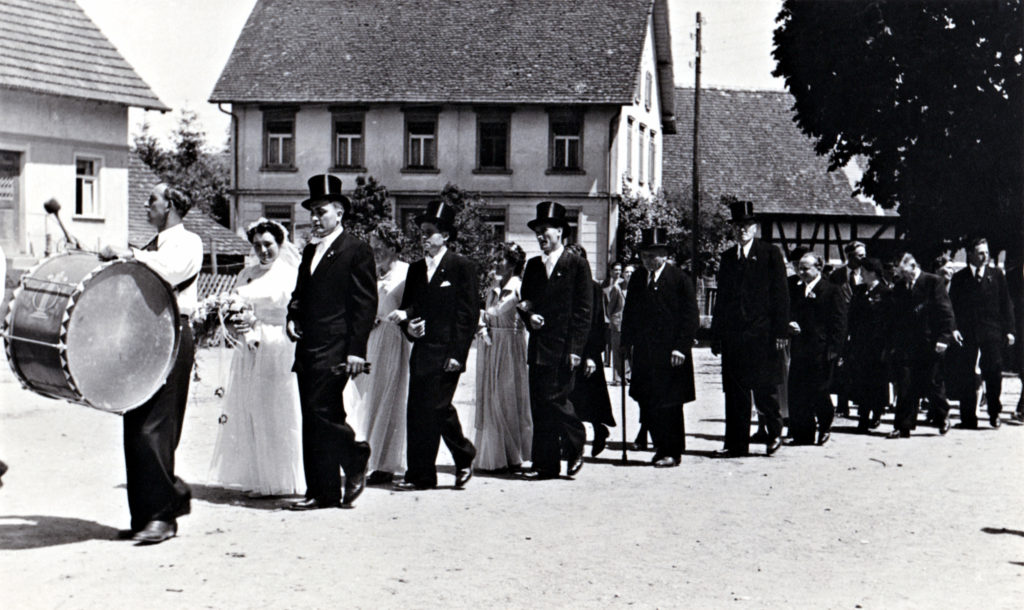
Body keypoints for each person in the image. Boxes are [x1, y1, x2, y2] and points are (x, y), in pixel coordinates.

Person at [98, 183, 202, 544]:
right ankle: (145, 514)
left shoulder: (188, 242)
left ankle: (164, 516)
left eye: (153, 199)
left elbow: (170, 272)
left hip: (172, 336)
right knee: (136, 426)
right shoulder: (150, 247)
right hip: (146, 339)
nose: (147, 204)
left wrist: (128, 254)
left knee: (156, 426)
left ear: (170, 205)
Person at [285, 174, 376, 509]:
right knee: (315, 418)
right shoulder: (310, 251)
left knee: (320, 410)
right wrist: (292, 318)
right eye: (311, 212)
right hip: (307, 347)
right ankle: (322, 492)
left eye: (320, 212)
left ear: (339, 213)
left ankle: (355, 455)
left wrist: (356, 350)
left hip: (337, 348)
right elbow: (299, 296)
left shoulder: (356, 250)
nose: (314, 218)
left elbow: (365, 305)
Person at [208, 218, 305, 497]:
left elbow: (287, 304)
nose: (263, 251)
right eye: (257, 245)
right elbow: (235, 311)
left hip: (279, 345)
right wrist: (237, 321)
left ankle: (286, 479)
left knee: (278, 410)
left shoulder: (288, 273)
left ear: (280, 244)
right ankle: (262, 478)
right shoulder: (245, 274)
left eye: (268, 245)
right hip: (250, 348)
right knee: (252, 409)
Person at [393, 200, 477, 491]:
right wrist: (409, 326)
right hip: (422, 350)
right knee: (417, 410)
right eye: (422, 232)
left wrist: (458, 354)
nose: (424, 237)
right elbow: (409, 307)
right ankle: (421, 474)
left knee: (438, 407)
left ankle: (463, 454)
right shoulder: (416, 270)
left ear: (446, 236)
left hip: (447, 352)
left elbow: (467, 315)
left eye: (430, 232)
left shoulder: (461, 267)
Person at [517, 201, 592, 480]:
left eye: (545, 230)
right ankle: (545, 465)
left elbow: (584, 311)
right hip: (538, 346)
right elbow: (525, 302)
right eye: (537, 231)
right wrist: (529, 317)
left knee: (557, 399)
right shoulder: (534, 266)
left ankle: (575, 443)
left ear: (560, 232)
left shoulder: (577, 264)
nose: (540, 236)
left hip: (563, 348)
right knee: (540, 405)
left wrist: (576, 350)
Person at [710, 200, 789, 458]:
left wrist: (780, 332)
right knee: (735, 392)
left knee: (765, 388)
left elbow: (781, 296)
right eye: (737, 226)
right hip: (734, 337)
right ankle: (736, 443)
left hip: (763, 334)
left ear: (754, 227)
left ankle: (774, 432)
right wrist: (716, 334)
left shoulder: (770, 254)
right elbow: (721, 300)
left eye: (746, 225)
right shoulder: (727, 258)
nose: (741, 230)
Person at [620, 228, 699, 467]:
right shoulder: (637, 279)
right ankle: (659, 446)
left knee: (670, 403)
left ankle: (672, 451)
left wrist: (681, 348)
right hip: (645, 352)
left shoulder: (679, 279)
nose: (647, 260)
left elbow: (690, 316)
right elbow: (630, 313)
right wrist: (625, 343)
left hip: (671, 353)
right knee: (647, 400)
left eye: (652, 255)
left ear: (664, 255)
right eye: (644, 255)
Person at [350, 222, 411, 485]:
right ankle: (364, 458)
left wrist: (403, 316)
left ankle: (385, 463)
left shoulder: (407, 272)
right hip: (370, 340)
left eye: (380, 246)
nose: (375, 251)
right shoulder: (371, 273)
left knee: (390, 396)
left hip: (394, 340)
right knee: (365, 397)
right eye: (373, 246)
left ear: (393, 246)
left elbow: (415, 305)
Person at [474, 243, 532, 471]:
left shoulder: (518, 288)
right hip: (491, 344)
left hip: (510, 345)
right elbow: (486, 314)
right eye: (495, 259)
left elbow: (497, 311)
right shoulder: (494, 286)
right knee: (490, 394)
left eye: (502, 259)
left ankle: (512, 453)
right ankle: (495, 454)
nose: (496, 264)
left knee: (507, 396)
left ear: (513, 264)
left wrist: (478, 314)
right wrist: (481, 326)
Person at [886, 252, 956, 438]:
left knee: (932, 383)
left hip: (930, 343)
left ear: (913, 267)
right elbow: (895, 317)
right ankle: (903, 426)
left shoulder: (933, 282)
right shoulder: (900, 287)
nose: (900, 276)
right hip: (906, 345)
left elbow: (945, 312)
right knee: (906, 384)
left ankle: (942, 416)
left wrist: (944, 338)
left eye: (902, 271)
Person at [948, 238, 1015, 429]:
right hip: (967, 334)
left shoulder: (996, 275)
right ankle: (968, 417)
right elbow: (951, 307)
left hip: (992, 333)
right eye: (980, 253)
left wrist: (1010, 330)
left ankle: (994, 412)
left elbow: (1006, 305)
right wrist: (953, 329)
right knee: (966, 374)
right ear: (970, 254)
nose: (985, 256)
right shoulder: (960, 278)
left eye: (986, 252)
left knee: (994, 372)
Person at [787, 253, 846, 446]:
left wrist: (834, 351)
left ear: (818, 268)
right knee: (798, 392)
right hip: (799, 349)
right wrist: (789, 325)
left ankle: (825, 426)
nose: (801, 272)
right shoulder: (795, 289)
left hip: (821, 350)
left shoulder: (831, 290)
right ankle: (803, 434)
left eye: (806, 268)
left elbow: (839, 324)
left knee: (819, 391)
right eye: (799, 268)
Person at [565, 244, 615, 458]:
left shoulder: (593, 288)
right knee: (569, 398)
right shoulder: (563, 285)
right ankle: (569, 443)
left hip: (587, 351)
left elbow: (597, 323)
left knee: (591, 399)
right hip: (568, 350)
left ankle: (599, 430)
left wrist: (593, 356)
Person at [845, 257, 893, 432]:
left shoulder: (886, 293)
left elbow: (890, 322)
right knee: (862, 381)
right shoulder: (859, 291)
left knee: (877, 381)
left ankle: (876, 413)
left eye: (864, 271)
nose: (861, 275)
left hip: (878, 345)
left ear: (873, 272)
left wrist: (887, 346)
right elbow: (851, 316)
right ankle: (863, 416)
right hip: (860, 344)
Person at [829, 241, 867, 418]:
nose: (863, 258)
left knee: (860, 364)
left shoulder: (868, 275)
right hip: (841, 325)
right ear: (849, 256)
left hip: (861, 327)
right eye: (860, 255)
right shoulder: (836, 276)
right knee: (841, 365)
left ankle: (861, 403)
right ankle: (842, 404)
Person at [604, 262, 626, 384]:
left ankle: (625, 376)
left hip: (625, 321)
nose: (618, 272)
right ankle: (617, 376)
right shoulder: (607, 284)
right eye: (615, 270)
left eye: (620, 270)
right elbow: (608, 305)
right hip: (615, 320)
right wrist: (610, 317)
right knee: (614, 347)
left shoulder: (624, 284)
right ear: (611, 271)